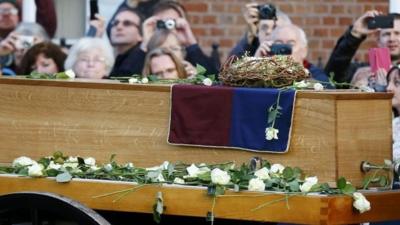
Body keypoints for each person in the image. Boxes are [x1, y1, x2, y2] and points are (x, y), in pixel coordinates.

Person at [141, 1, 218, 75]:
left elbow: (214, 79)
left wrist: (191, 43)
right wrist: (145, 44)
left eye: (172, 23)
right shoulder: (148, 52)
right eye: (162, 24)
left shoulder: (190, 55)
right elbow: (130, 77)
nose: (168, 28)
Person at [325, 11, 400, 84]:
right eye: (386, 34)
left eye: (397, 33)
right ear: (378, 40)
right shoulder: (361, 72)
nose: (391, 39)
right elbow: (332, 76)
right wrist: (354, 35)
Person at [255, 24, 332, 86]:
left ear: (304, 51)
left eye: (290, 44)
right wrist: (256, 64)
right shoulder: (266, 76)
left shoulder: (317, 77)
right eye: (279, 43)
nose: (283, 50)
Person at [109, 8, 145, 76]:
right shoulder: (108, 58)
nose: (119, 27)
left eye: (127, 23)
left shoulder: (144, 60)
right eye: (115, 23)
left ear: (140, 35)